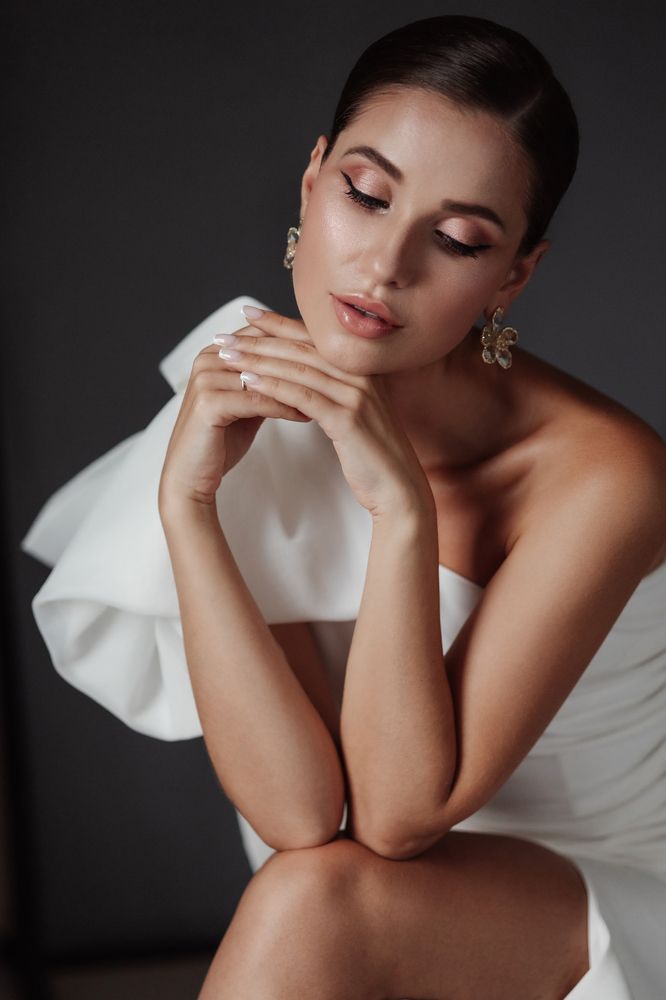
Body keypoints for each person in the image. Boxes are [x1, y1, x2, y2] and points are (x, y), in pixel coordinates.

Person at [22, 14, 665, 1000]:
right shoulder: (249, 397)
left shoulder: (605, 475)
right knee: (309, 889)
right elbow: (297, 814)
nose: (386, 264)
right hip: (356, 880)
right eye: (365, 194)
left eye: (457, 239)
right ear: (312, 179)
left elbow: (401, 820)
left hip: (603, 893)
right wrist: (188, 506)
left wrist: (401, 512)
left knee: (311, 903)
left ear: (512, 275)